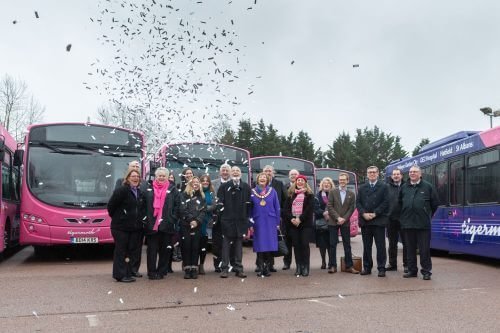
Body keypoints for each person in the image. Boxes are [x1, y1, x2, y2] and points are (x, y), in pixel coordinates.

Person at [399, 165, 439, 280]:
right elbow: (399, 203)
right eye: (411, 172)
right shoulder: (404, 187)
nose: (412, 173)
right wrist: (403, 217)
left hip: (423, 224)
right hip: (407, 223)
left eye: (415, 172)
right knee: (410, 249)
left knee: (424, 249)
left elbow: (435, 204)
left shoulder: (428, 187)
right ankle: (412, 271)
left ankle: (426, 272)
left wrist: (427, 214)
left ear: (420, 174)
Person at [107, 169, 145, 282]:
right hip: (120, 228)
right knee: (121, 251)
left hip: (133, 228)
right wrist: (120, 218)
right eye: (133, 176)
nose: (135, 178)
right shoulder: (122, 190)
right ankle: (119, 275)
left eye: (137, 176)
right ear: (128, 178)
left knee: (130, 251)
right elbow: (111, 207)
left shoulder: (139, 192)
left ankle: (127, 273)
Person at [144, 167, 180, 280]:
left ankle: (162, 271)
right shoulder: (149, 189)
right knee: (152, 250)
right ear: (156, 176)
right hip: (152, 224)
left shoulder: (173, 190)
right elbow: (142, 206)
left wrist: (172, 218)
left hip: (167, 225)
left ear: (167, 177)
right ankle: (151, 272)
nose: (161, 177)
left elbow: (178, 206)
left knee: (165, 250)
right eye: (159, 175)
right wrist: (145, 219)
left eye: (164, 175)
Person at [217, 166, 251, 278]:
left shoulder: (246, 187)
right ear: (231, 173)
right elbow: (219, 204)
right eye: (234, 171)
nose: (235, 172)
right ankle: (225, 269)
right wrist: (223, 219)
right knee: (226, 246)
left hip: (241, 221)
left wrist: (247, 221)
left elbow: (249, 205)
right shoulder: (223, 187)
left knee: (238, 246)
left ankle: (238, 269)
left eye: (238, 171)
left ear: (240, 173)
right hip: (227, 221)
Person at [356, 166, 390, 277]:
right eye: (369, 172)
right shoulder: (362, 187)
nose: (372, 174)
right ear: (367, 174)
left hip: (378, 220)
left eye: (374, 172)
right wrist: (363, 213)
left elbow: (386, 202)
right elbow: (358, 203)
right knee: (367, 246)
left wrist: (375, 213)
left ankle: (381, 268)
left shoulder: (384, 186)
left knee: (380, 246)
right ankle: (367, 267)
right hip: (365, 221)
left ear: (378, 173)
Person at [327, 173, 359, 274]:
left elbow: (351, 208)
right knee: (332, 244)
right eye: (340, 180)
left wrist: (344, 218)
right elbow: (330, 206)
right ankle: (332, 266)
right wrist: (337, 218)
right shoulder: (332, 192)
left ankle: (349, 266)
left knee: (347, 244)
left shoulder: (351, 194)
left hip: (345, 222)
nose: (342, 181)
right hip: (333, 222)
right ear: (338, 181)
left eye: (344, 180)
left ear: (347, 181)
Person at [257, 164, 287, 273]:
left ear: (273, 173)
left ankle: (270, 265)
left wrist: (280, 214)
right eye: (266, 171)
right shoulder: (256, 187)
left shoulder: (278, 184)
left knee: (271, 242)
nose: (268, 173)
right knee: (260, 242)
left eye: (270, 171)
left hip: (273, 218)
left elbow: (285, 199)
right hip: (260, 219)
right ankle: (259, 265)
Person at [283, 174, 314, 277]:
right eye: (298, 180)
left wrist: (300, 219)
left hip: (305, 224)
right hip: (293, 225)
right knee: (296, 246)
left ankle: (306, 267)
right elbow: (286, 209)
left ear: (305, 182)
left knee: (304, 245)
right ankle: (299, 267)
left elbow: (309, 210)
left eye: (302, 180)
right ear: (295, 182)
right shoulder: (291, 194)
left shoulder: (309, 195)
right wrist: (292, 218)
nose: (300, 182)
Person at [250, 172, 280, 277]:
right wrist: (250, 223)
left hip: (271, 221)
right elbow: (249, 208)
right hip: (257, 221)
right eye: (260, 177)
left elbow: (277, 207)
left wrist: (277, 222)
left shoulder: (273, 191)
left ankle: (267, 268)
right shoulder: (252, 192)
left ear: (267, 180)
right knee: (260, 245)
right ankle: (260, 267)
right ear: (257, 180)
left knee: (269, 245)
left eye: (264, 177)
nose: (262, 179)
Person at [180, 176, 206, 279]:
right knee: (186, 246)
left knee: (196, 247)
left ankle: (194, 268)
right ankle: (187, 269)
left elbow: (203, 211)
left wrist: (197, 221)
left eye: (197, 182)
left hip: (197, 226)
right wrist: (191, 220)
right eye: (193, 182)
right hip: (186, 225)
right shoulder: (184, 195)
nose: (195, 184)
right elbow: (182, 209)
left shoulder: (202, 196)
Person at [211, 163, 232, 272]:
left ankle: (230, 265)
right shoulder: (213, 184)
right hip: (217, 219)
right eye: (223, 170)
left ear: (230, 172)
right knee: (217, 244)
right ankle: (217, 265)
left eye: (227, 170)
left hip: (231, 220)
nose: (224, 172)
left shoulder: (235, 184)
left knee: (230, 244)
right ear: (220, 172)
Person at [386, 168, 408, 273]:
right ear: (391, 176)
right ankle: (392, 264)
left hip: (404, 219)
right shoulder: (387, 187)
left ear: (401, 175)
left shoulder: (406, 186)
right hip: (391, 220)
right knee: (392, 244)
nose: (396, 176)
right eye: (394, 174)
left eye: (398, 174)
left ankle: (407, 265)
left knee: (406, 243)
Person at [314, 177, 334, 270]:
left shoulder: (334, 194)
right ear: (321, 185)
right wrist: (323, 213)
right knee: (322, 245)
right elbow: (315, 208)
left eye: (328, 183)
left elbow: (337, 207)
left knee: (331, 244)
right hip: (321, 223)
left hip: (332, 222)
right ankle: (323, 262)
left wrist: (330, 213)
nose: (326, 185)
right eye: (324, 183)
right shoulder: (317, 195)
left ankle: (331, 262)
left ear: (331, 185)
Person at [282, 168, 299, 270]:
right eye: (291, 174)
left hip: (299, 219)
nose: (293, 176)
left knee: (297, 243)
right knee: (287, 242)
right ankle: (287, 263)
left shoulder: (304, 187)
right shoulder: (284, 187)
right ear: (289, 176)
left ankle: (299, 263)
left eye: (295, 174)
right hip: (287, 219)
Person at [199, 174, 216, 275]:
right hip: (197, 221)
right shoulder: (197, 191)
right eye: (203, 180)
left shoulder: (212, 192)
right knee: (195, 244)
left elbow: (214, 205)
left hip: (207, 222)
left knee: (203, 245)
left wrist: (203, 208)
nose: (205, 182)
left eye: (207, 181)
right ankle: (193, 264)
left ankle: (201, 265)